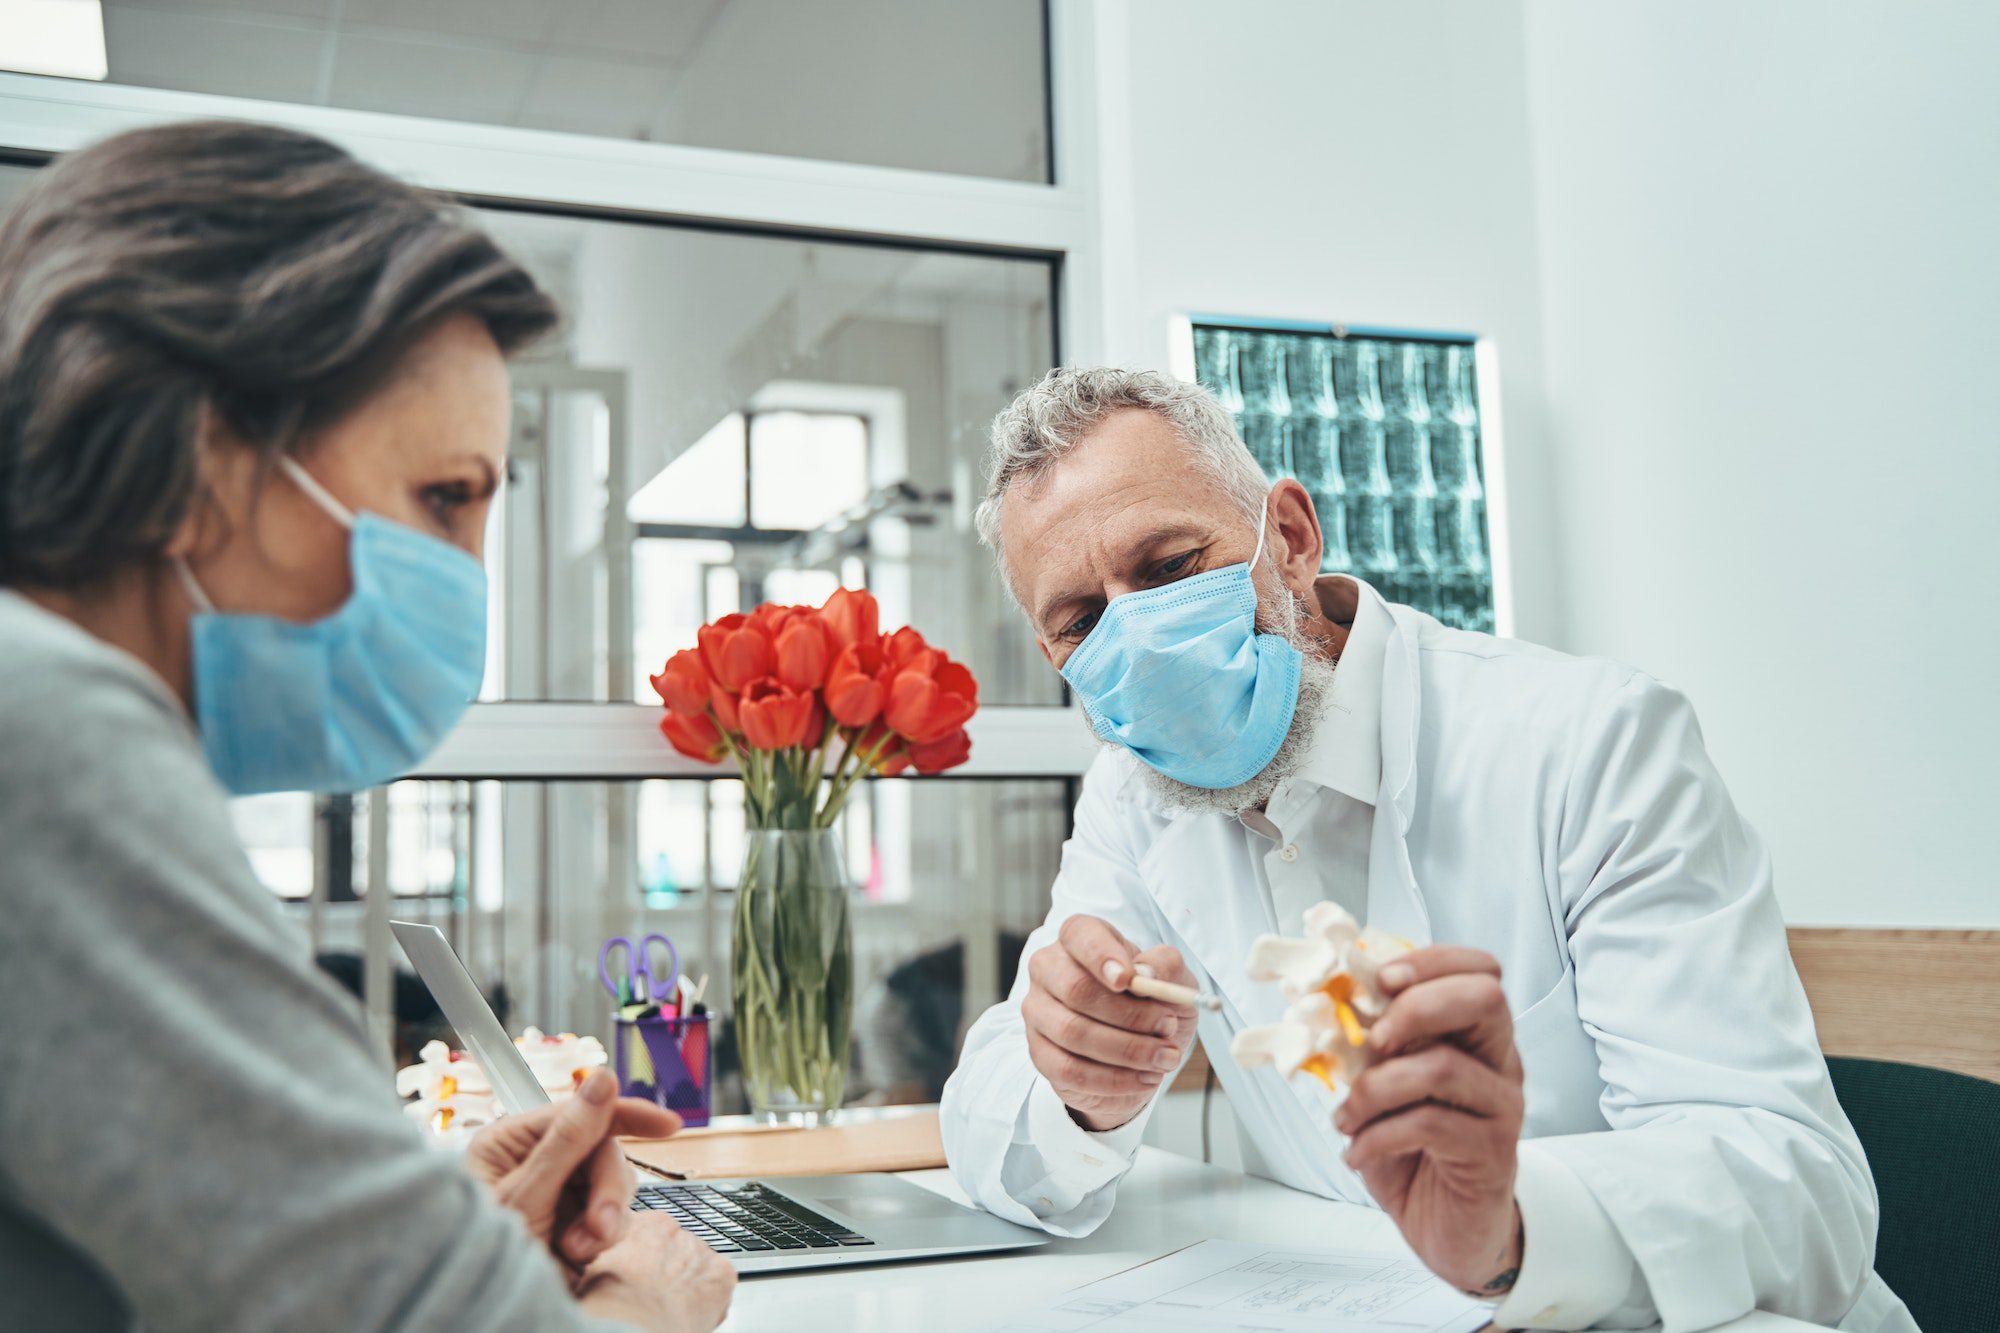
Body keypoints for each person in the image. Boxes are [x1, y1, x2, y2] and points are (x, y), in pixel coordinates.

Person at [940, 368, 1916, 1333]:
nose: (1139, 639)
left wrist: (1516, 1224)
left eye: (1166, 567)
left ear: (1287, 538)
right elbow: (987, 1120)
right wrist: (1074, 1092)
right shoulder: (1132, 800)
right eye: (1082, 618)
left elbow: (1804, 1194)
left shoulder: (1588, 739)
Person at [0, 121, 734, 1331]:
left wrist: (417, 1228)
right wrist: (648, 1306)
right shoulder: (52, 732)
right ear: (201, 458)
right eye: (443, 498)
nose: (465, 575)